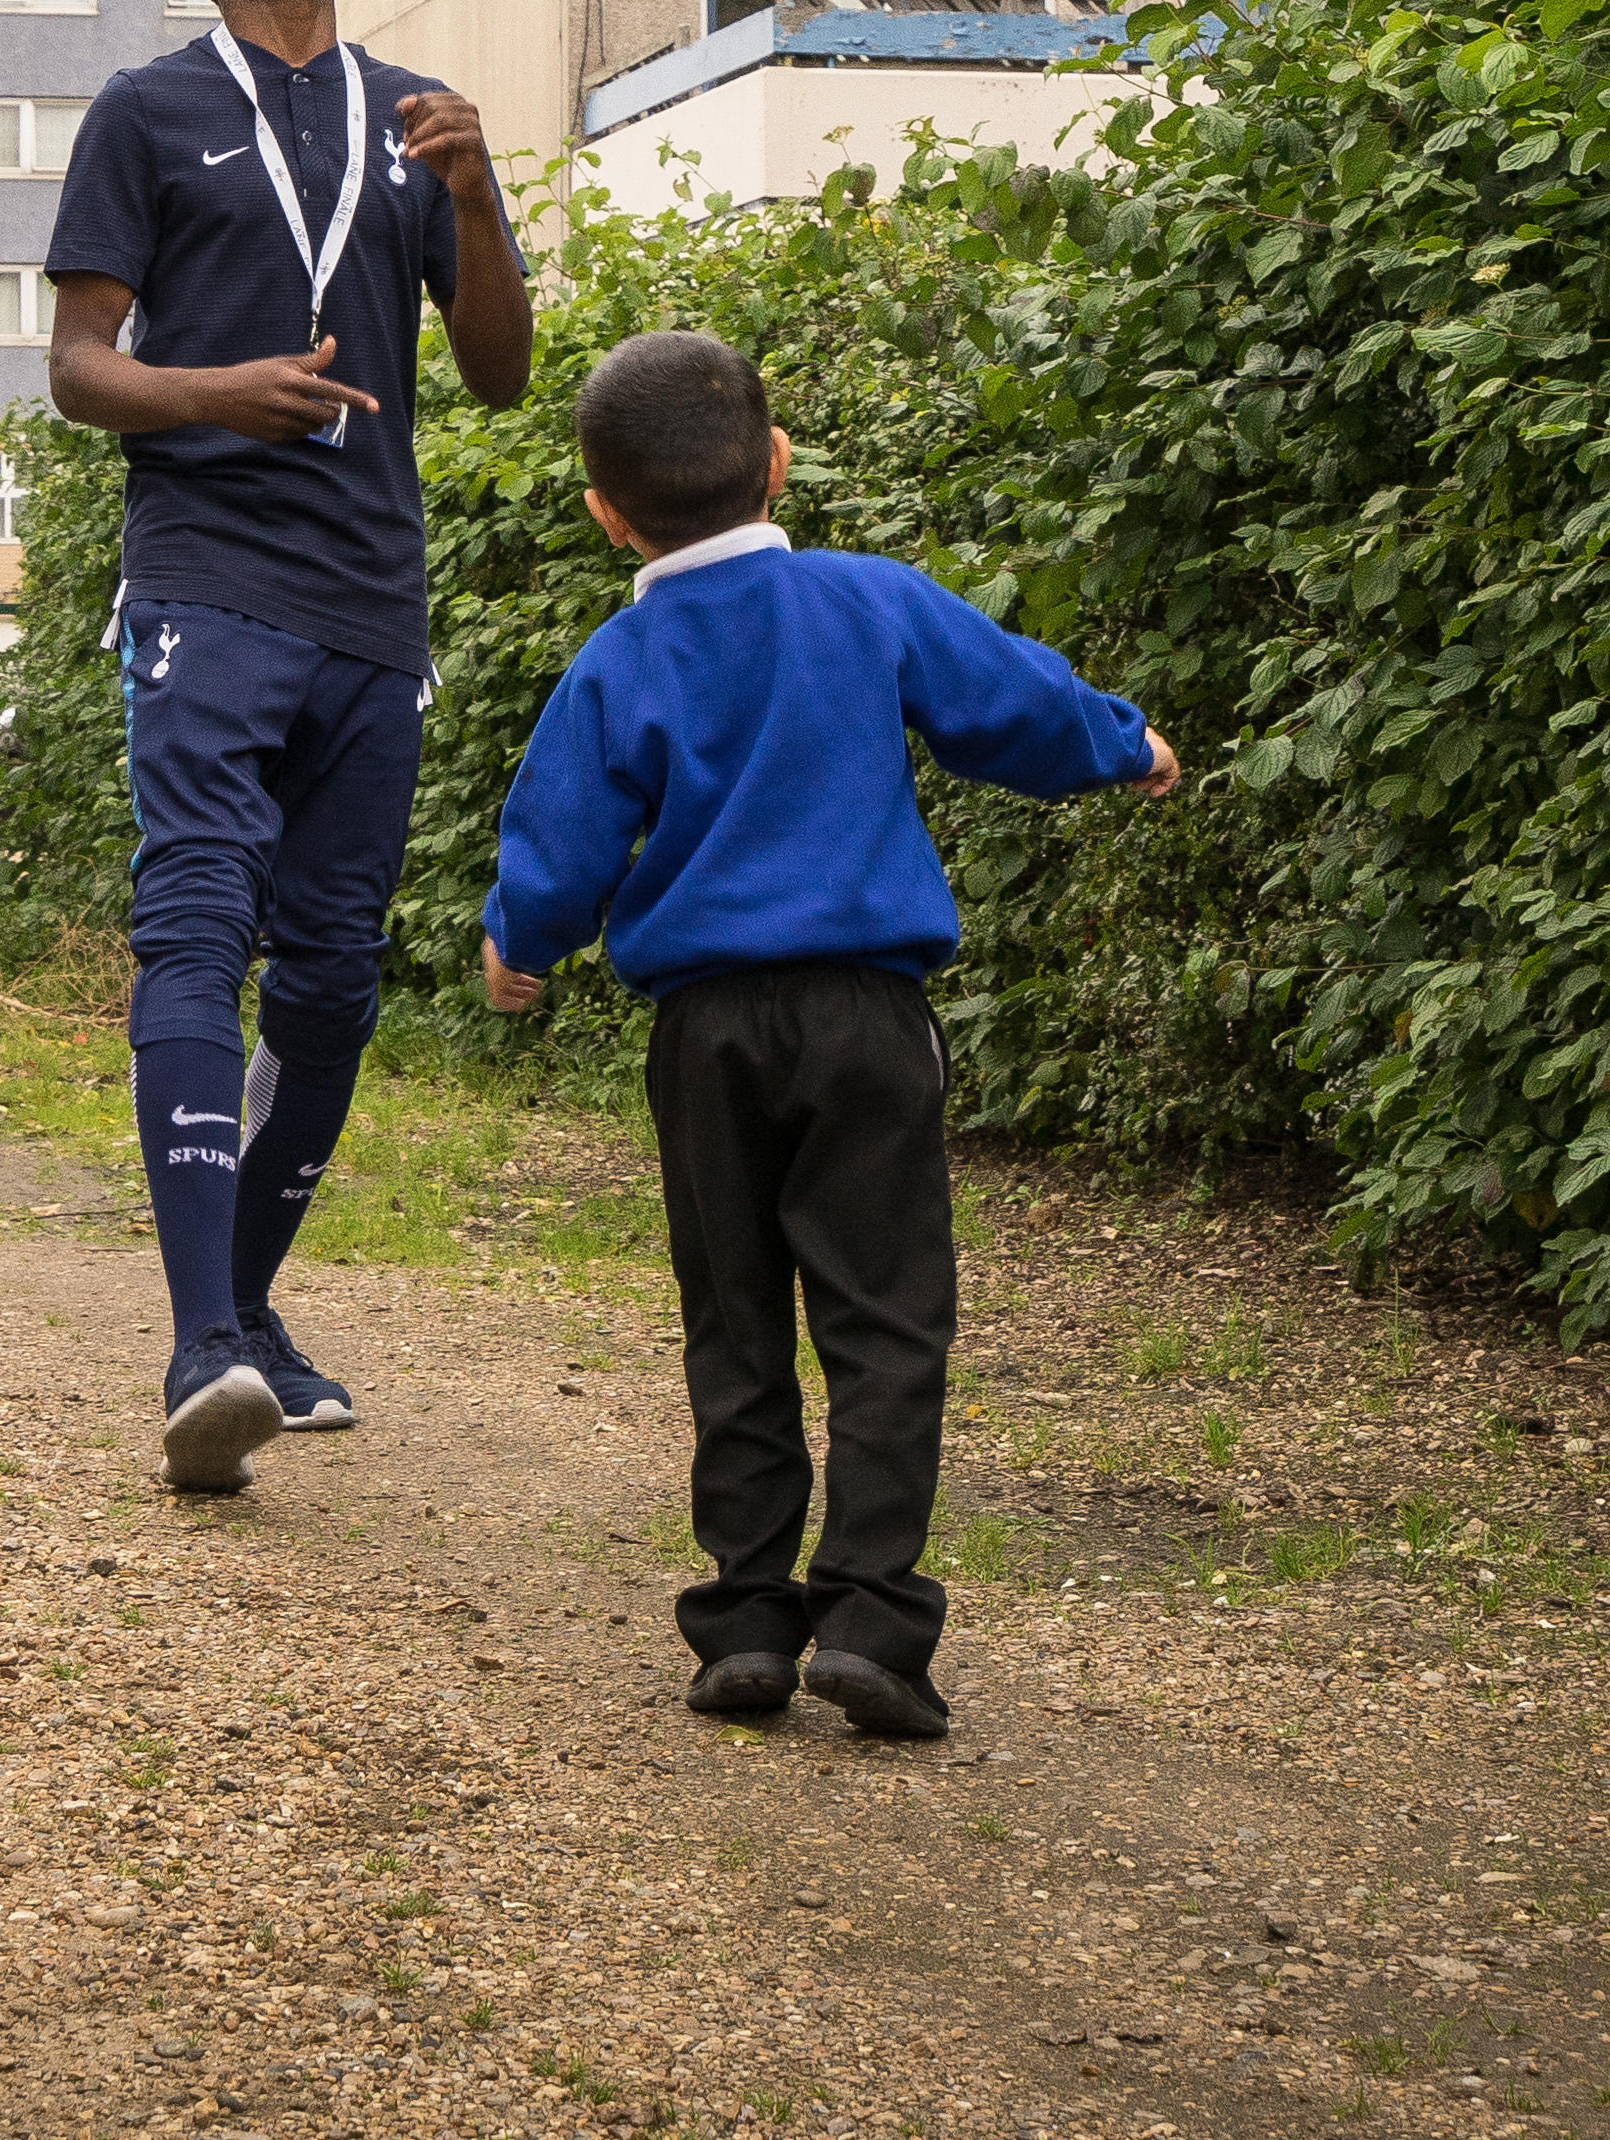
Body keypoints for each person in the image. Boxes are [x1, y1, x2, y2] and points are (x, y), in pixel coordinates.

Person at [478, 332, 1177, 1740]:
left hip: (705, 1030)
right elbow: (1013, 705)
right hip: (867, 1016)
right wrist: (1124, 744)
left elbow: (558, 835)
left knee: (734, 1320)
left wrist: (518, 941)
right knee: (884, 1321)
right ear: (779, 461)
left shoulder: (617, 660)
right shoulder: (871, 602)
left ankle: (742, 1621)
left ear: (604, 510)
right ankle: (869, 1620)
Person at [40, 0, 534, 1495]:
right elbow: (79, 364)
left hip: (371, 604)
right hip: (207, 579)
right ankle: (197, 1347)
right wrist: (215, 392)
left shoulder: (418, 115)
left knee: (329, 976)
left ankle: (248, 1310)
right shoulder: (150, 110)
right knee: (194, 924)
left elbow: (501, 373)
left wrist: (473, 190)